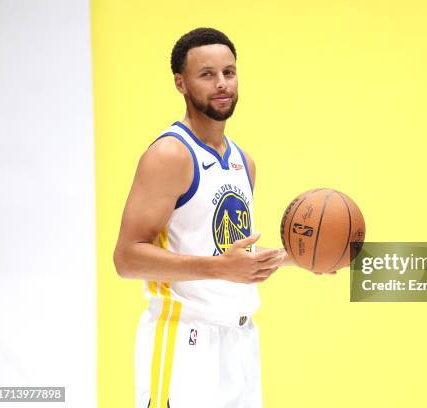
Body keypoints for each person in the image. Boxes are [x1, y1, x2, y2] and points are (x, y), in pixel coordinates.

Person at [114, 27, 335, 408]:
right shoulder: (170, 155)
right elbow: (127, 259)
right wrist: (219, 269)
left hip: (240, 343)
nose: (222, 84)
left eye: (229, 73)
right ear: (180, 83)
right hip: (184, 342)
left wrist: (296, 256)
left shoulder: (242, 162)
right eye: (207, 74)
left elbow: (229, 254)